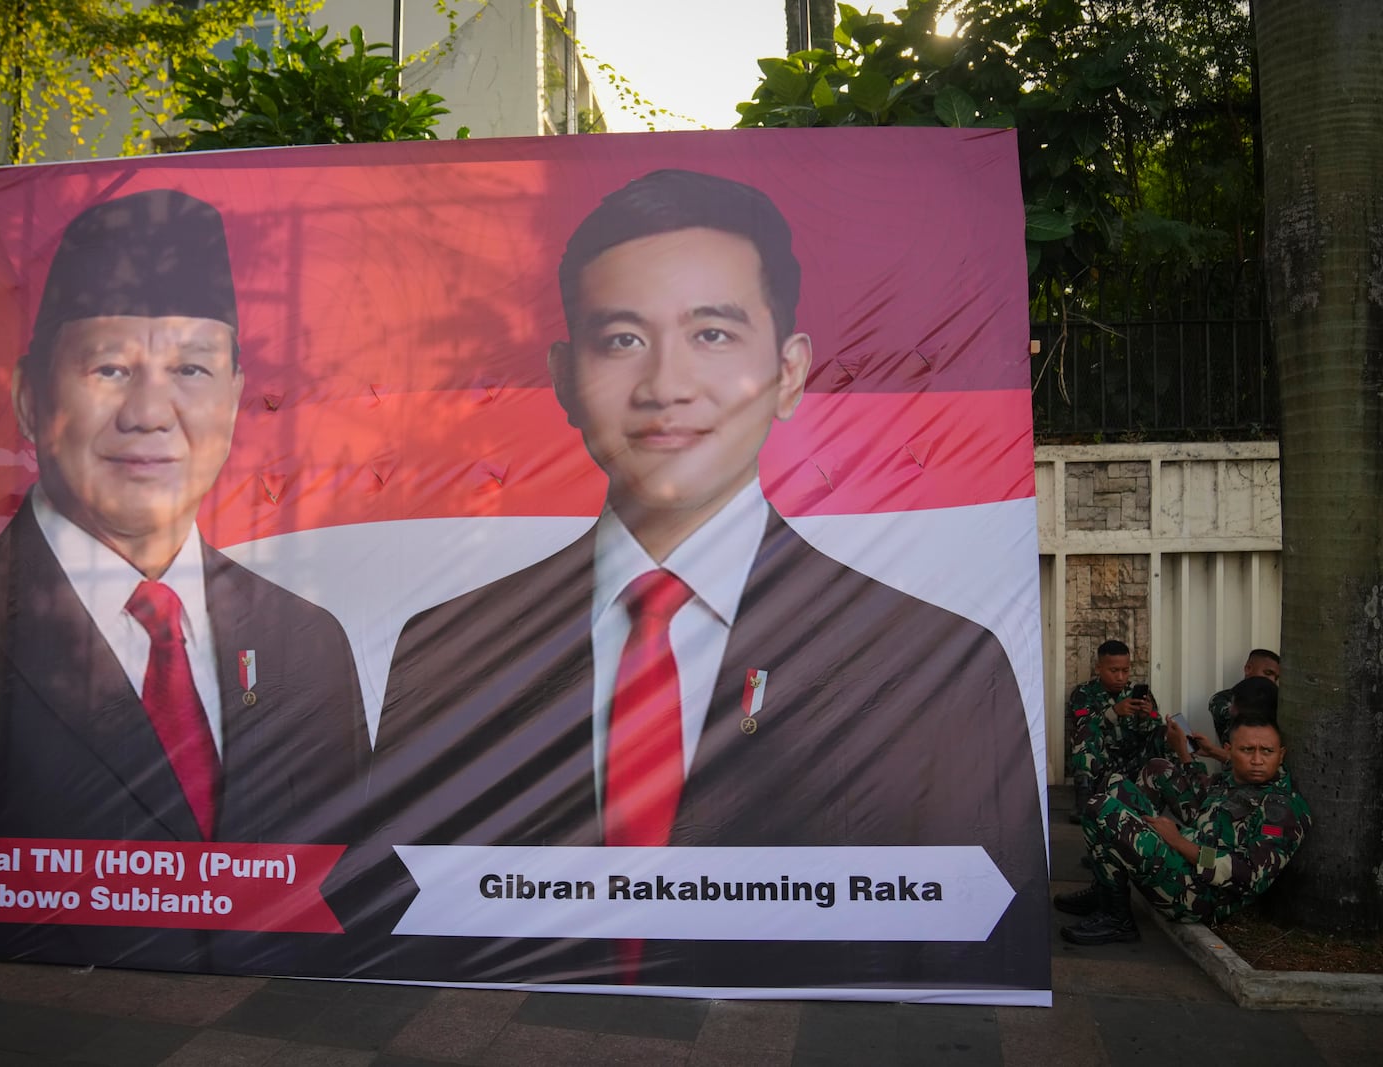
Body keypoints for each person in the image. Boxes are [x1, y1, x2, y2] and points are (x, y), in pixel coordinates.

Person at [361, 169, 1048, 991]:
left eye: (713, 334)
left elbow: (980, 952)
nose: (665, 387)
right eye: (621, 339)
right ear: (563, 376)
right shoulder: (445, 651)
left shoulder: (941, 667)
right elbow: (398, 928)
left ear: (790, 371)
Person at [0, 190, 367, 972]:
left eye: (191, 367)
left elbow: (355, 904)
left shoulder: (308, 645)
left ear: (232, 398)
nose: (150, 412)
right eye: (110, 367)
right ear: (30, 398)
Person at [1056, 687, 1310, 946]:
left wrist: (1180, 843)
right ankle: (1105, 891)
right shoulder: (1235, 780)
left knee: (1102, 810)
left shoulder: (1280, 808)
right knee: (1115, 786)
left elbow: (1248, 874)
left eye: (1266, 751)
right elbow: (1202, 801)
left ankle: (1117, 918)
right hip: (1184, 856)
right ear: (1229, 751)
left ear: (1281, 755)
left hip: (1201, 896)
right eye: (1247, 750)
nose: (1257, 760)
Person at [1066, 639, 1160, 820]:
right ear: (1099, 668)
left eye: (1125, 671)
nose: (1120, 677)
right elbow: (1081, 723)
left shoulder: (1138, 693)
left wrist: (1146, 717)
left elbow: (1156, 723)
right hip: (1103, 764)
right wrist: (1114, 712)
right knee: (1086, 731)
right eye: (1114, 671)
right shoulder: (1084, 693)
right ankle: (1083, 802)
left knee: (1165, 733)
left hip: (1134, 763)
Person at [1207, 649, 1280, 745]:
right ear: (1248, 669)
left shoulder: (1277, 701)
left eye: (1276, 678)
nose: (1272, 680)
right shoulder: (1223, 698)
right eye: (1268, 673)